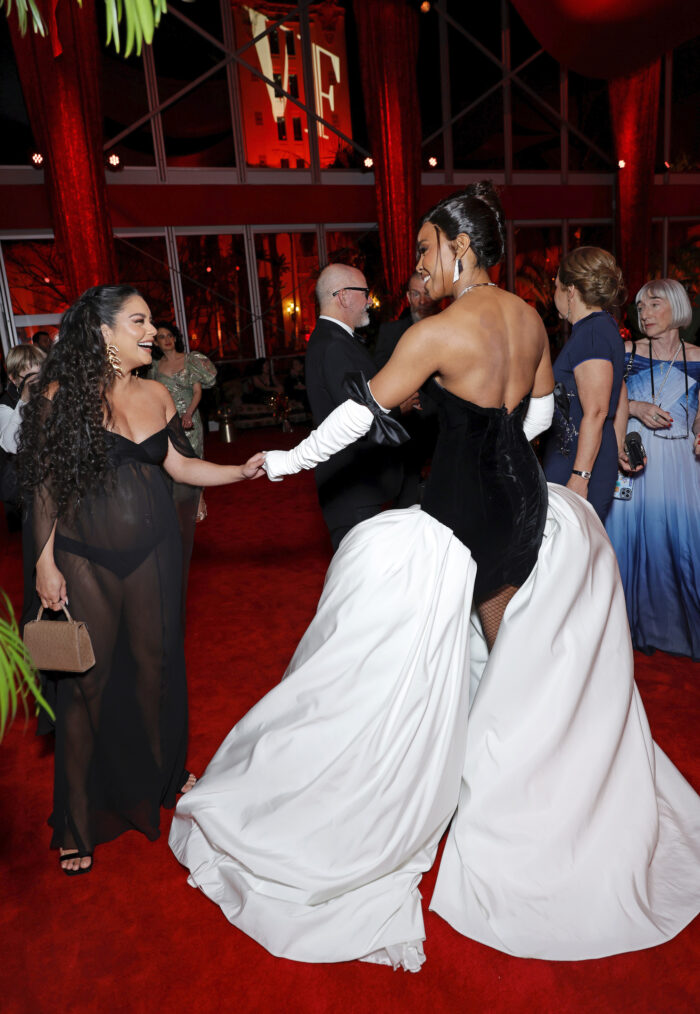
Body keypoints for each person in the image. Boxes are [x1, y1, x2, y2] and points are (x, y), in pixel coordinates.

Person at [171, 182, 700, 966]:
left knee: (378, 666)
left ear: (459, 246)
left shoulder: (445, 331)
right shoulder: (527, 318)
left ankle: (417, 793)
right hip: (524, 509)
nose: (416, 263)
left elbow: (355, 418)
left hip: (460, 517)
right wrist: (502, 441)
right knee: (508, 659)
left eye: (424, 248)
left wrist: (280, 460)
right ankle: (521, 801)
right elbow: (546, 416)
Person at [17, 285, 264, 876]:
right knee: (87, 688)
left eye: (151, 321)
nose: (151, 330)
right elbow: (45, 485)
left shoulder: (156, 393)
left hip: (156, 551)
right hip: (85, 559)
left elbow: (178, 465)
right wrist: (43, 562)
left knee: (156, 671)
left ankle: (160, 779)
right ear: (103, 332)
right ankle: (76, 821)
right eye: (139, 321)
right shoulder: (62, 396)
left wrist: (239, 469)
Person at [605, 278, 700, 660]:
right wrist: (637, 408)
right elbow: (601, 403)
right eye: (640, 307)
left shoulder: (697, 357)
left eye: (655, 305)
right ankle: (626, 629)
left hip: (681, 464)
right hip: (634, 459)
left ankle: (677, 627)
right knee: (628, 543)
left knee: (682, 545)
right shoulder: (626, 352)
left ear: (677, 309)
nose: (644, 313)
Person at [303, 263, 404, 550]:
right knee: (365, 587)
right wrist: (400, 406)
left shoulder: (333, 339)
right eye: (365, 293)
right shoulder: (334, 344)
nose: (370, 301)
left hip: (354, 486)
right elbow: (360, 415)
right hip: (353, 490)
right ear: (344, 296)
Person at [542, 247, 626, 521]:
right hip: (583, 455)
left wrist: (580, 476)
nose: (552, 294)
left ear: (570, 290)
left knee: (569, 554)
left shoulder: (591, 333)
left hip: (577, 462)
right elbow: (620, 393)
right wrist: (620, 442)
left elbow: (597, 411)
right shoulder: (600, 328)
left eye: (555, 286)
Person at [375, 272, 440, 506]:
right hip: (407, 426)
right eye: (415, 293)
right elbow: (382, 377)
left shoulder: (452, 327)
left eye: (427, 293)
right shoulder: (390, 332)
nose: (422, 300)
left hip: (445, 425)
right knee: (406, 499)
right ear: (408, 296)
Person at [149, 322, 217, 523]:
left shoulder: (190, 360)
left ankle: (200, 499)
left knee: (194, 456)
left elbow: (197, 392)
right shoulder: (154, 367)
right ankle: (173, 503)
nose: (167, 340)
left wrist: (188, 414)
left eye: (170, 335)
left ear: (175, 338)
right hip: (167, 420)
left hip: (190, 417)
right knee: (169, 459)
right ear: (156, 342)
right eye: (162, 337)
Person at [1, 345, 46, 531]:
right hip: (24, 496)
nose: (36, 381)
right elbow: (11, 444)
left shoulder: (47, 396)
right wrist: (24, 400)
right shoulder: (5, 404)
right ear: (13, 378)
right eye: (29, 376)